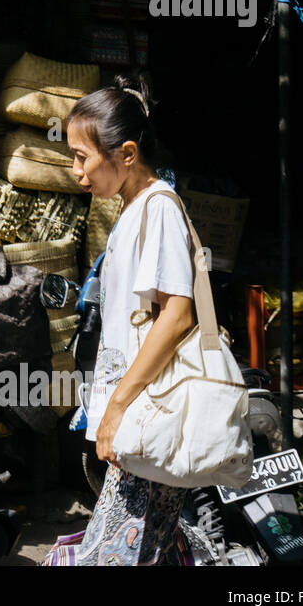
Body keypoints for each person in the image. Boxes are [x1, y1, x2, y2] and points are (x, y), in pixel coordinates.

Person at [56, 73, 198, 566]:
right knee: (147, 550)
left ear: (128, 154)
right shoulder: (135, 210)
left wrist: (117, 405)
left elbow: (177, 315)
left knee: (112, 553)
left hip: (145, 413)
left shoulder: (158, 209)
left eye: (82, 157)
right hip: (142, 415)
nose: (76, 171)